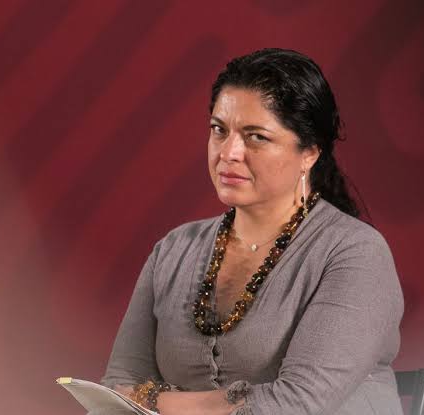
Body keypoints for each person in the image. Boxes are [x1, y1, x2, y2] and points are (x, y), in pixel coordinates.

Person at [98, 48, 404, 415]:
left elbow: (296, 404)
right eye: (219, 130)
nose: (229, 152)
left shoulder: (354, 253)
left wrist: (151, 400)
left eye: (255, 136)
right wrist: (128, 399)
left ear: (309, 153)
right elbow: (117, 388)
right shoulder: (173, 250)